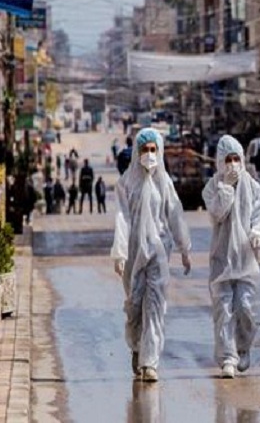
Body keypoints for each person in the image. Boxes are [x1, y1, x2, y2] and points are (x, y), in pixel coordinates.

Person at [111, 128, 192, 383]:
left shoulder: (164, 183)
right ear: (137, 152)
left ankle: (150, 362)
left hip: (158, 253)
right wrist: (120, 252)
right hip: (133, 252)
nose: (149, 154)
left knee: (155, 306)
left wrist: (184, 248)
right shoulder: (126, 184)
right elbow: (122, 218)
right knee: (135, 306)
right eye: (144, 150)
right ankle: (137, 346)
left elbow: (175, 215)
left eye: (153, 150)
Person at [202, 135, 260, 379]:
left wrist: (259, 233)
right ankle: (228, 358)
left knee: (245, 307)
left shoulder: (252, 186)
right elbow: (217, 214)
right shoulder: (212, 187)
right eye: (228, 160)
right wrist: (226, 189)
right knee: (223, 310)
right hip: (221, 259)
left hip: (246, 258)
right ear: (220, 162)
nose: (232, 164)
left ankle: (243, 348)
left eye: (236, 159)